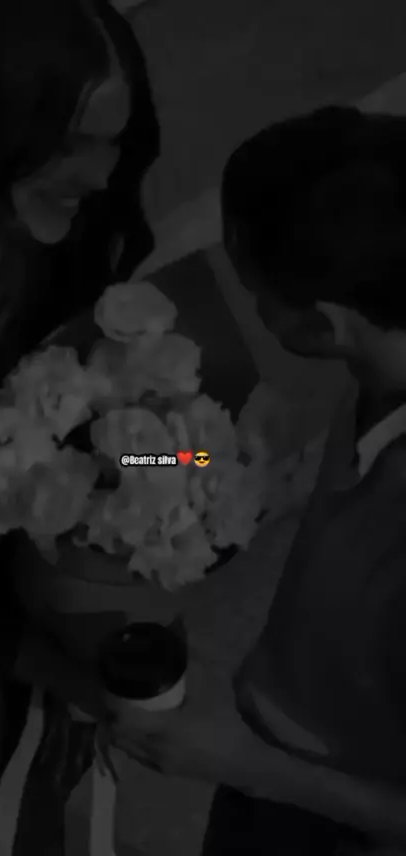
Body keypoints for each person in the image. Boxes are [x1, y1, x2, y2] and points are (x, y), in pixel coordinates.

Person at [111, 105, 406, 855]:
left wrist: (242, 763)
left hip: (324, 813)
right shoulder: (375, 369)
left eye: (254, 292)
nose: (241, 306)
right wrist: (148, 461)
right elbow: (249, 472)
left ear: (321, 324)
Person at [0, 0, 158, 851]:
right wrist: (40, 663)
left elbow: (112, 447)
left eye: (115, 141)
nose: (100, 176)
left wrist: (193, 468)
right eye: (69, 144)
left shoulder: (85, 246)